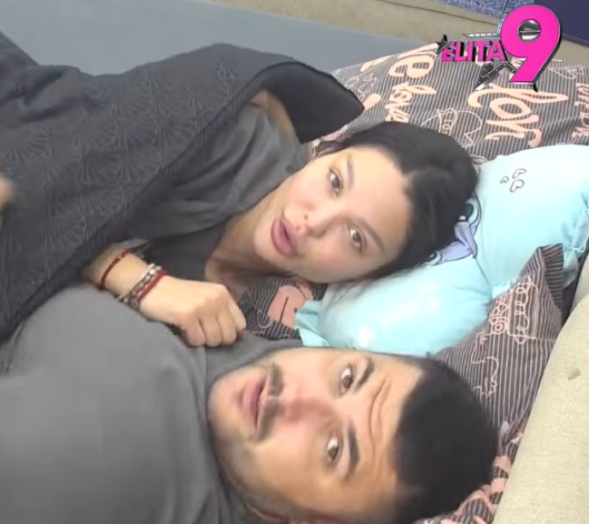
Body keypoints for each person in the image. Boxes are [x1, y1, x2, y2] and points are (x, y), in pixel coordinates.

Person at [0, 148, 497, 524]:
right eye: (349, 377)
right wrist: (130, 275)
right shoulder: (267, 352)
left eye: (334, 450)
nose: (294, 398)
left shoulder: (113, 469)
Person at [86, 95, 479, 347]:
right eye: (334, 181)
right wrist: (138, 280)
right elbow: (58, 182)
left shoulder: (279, 327)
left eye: (355, 237)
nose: (314, 222)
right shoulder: (232, 138)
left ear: (367, 277)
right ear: (325, 152)